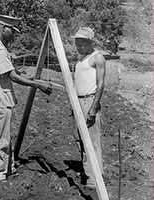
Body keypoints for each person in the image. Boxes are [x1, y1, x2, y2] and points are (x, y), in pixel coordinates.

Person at [0, 14, 52, 181]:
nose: (13, 33)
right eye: (12, 30)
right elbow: (11, 76)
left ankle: (6, 168)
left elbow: (6, 72)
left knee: (3, 135)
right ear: (3, 28)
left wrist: (21, 74)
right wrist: (38, 84)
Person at [73, 27, 106, 188]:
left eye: (81, 44)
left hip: (89, 101)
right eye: (76, 44)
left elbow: (101, 83)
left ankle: (95, 181)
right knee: (81, 140)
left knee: (92, 142)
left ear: (89, 43)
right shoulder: (81, 60)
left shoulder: (97, 58)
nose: (78, 47)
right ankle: (89, 173)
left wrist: (93, 107)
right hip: (78, 102)